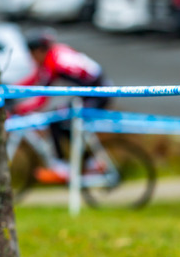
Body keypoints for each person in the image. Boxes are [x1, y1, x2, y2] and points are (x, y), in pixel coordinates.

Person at [15, 27, 110, 180]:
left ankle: (68, 166)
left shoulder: (53, 62)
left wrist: (21, 109)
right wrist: (12, 89)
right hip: (92, 91)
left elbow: (42, 97)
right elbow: (35, 80)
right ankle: (88, 162)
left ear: (39, 51)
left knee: (58, 122)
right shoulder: (54, 54)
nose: (32, 59)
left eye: (32, 54)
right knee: (61, 121)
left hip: (98, 95)